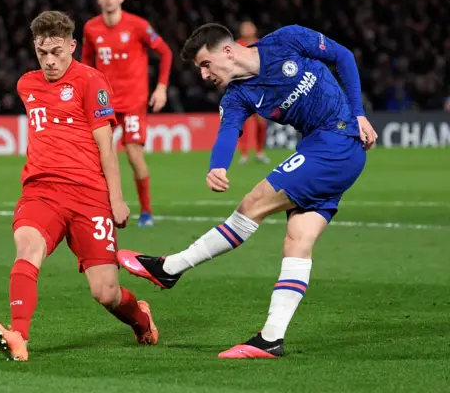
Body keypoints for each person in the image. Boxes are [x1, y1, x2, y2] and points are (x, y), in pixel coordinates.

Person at [117, 23, 378, 359]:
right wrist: (217, 165)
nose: (204, 75)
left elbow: (343, 56)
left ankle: (171, 268)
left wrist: (358, 113)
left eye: (205, 64)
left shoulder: (287, 40)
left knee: (251, 205)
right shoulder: (238, 96)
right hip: (325, 147)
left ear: (227, 51)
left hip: (337, 140)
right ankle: (271, 338)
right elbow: (228, 133)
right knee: (297, 240)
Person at [0, 10, 158, 362]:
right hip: (42, 190)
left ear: (72, 45)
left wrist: (118, 200)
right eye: (42, 52)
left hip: (89, 195)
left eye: (57, 52)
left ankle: (141, 318)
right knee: (27, 247)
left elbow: (106, 148)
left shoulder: (91, 82)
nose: (49, 61)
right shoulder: (26, 85)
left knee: (106, 293)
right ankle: (19, 334)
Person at [82, 0, 173, 228]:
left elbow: (165, 52)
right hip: (104, 103)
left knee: (133, 155)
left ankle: (146, 211)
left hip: (133, 101)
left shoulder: (138, 25)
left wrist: (162, 88)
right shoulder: (91, 28)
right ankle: (104, 206)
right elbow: (86, 64)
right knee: (100, 156)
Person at [236, 20, 270, 164]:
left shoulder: (261, 44)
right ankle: (244, 153)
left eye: (250, 26)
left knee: (261, 123)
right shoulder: (236, 46)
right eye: (244, 27)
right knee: (242, 122)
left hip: (259, 89)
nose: (247, 29)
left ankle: (259, 152)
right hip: (242, 88)